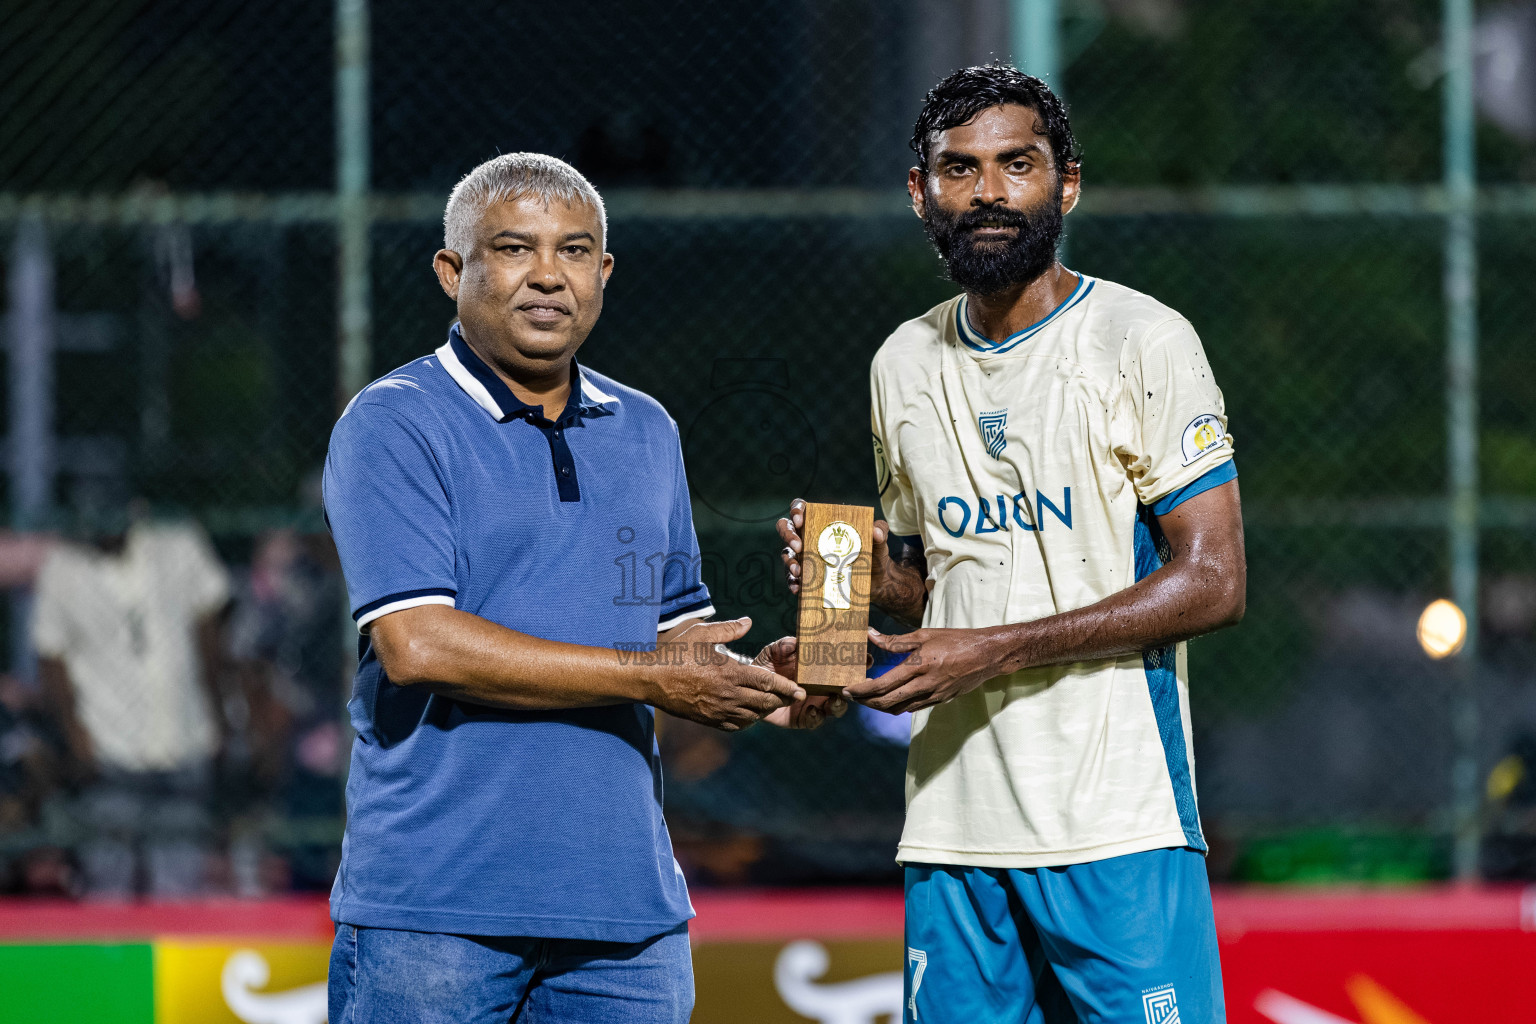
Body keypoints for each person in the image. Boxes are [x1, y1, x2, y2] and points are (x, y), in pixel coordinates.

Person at [779, 65, 1246, 1023]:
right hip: (953, 829)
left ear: (1064, 183)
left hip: (1118, 822)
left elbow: (1213, 582)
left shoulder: (1141, 339)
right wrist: (847, 609)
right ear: (922, 193)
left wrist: (994, 648)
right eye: (959, 170)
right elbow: (933, 585)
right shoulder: (901, 361)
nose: (988, 193)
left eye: (1016, 165)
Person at [323, 152, 835, 1024]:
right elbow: (417, 645)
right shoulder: (395, 420)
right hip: (436, 912)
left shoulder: (646, 426)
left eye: (574, 250)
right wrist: (654, 677)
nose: (548, 276)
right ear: (455, 272)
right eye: (515, 249)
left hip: (626, 920)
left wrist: (777, 688)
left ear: (603, 273)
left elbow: (674, 643)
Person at [31, 516, 232, 896]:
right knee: (109, 890)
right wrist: (75, 735)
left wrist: (220, 713)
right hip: (110, 750)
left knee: (180, 890)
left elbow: (211, 632)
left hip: (183, 742)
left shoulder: (176, 540)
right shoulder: (61, 565)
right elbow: (49, 656)